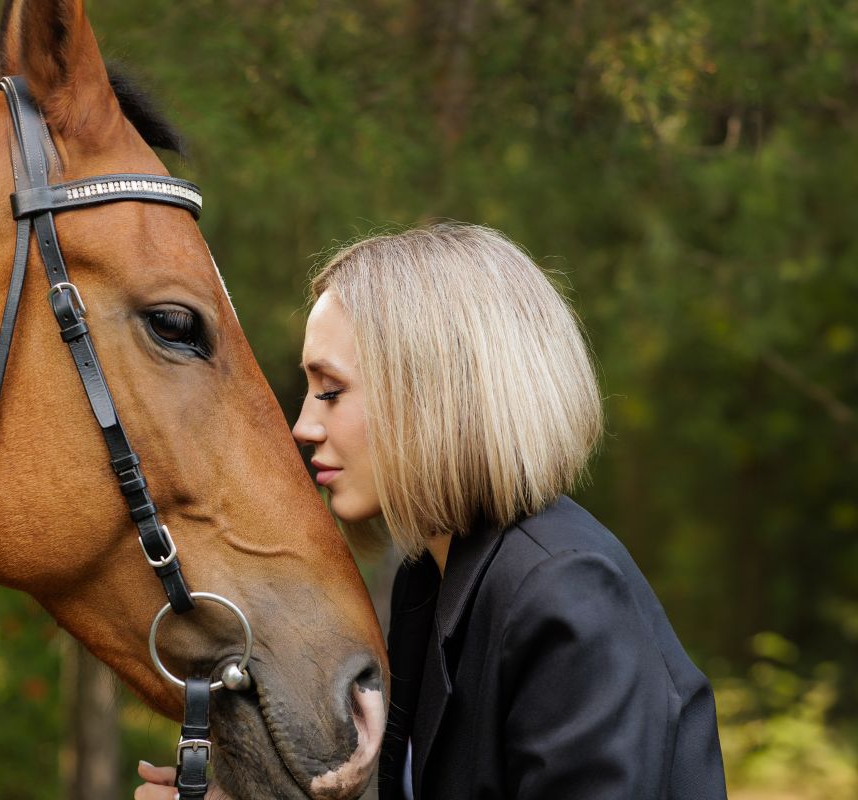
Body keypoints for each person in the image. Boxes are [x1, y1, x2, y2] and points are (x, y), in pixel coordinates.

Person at [137, 223, 727, 799]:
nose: (304, 426)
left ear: (431, 394)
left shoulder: (564, 590)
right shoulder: (428, 579)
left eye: (331, 390)